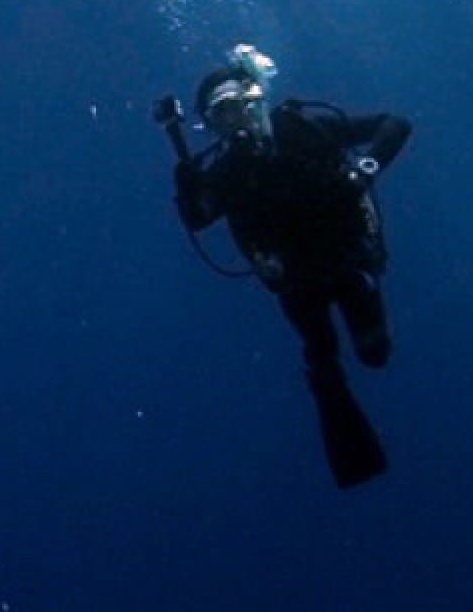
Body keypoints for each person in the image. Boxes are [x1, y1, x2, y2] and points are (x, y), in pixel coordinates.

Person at [153, 43, 412, 487]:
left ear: (256, 99)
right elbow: (199, 215)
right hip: (295, 280)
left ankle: (335, 389)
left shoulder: (305, 127)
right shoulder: (227, 170)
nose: (233, 123)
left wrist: (365, 170)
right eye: (220, 117)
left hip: (347, 258)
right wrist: (179, 154)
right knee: (323, 356)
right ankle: (339, 420)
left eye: (237, 108)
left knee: (375, 354)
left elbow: (395, 124)